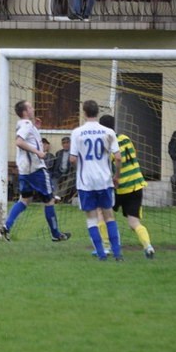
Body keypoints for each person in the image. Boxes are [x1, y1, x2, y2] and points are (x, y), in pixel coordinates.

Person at [0, 101, 69, 242]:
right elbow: (19, 142)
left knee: (25, 199)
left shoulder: (24, 125)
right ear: (25, 112)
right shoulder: (26, 124)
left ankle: (7, 226)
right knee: (49, 200)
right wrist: (38, 152)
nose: (33, 109)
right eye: (30, 107)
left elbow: (28, 139)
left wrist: (36, 128)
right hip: (36, 169)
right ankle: (56, 234)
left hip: (25, 170)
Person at [69, 100, 123, 261]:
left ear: (84, 112)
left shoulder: (77, 132)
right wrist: (117, 176)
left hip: (86, 182)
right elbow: (118, 158)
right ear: (98, 112)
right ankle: (117, 254)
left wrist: (80, 168)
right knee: (109, 216)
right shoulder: (108, 132)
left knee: (92, 218)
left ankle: (101, 254)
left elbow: (72, 159)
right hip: (104, 180)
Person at [99, 115, 155, 259]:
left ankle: (106, 246)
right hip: (136, 184)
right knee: (133, 222)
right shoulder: (125, 138)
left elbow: (116, 161)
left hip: (120, 187)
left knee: (102, 214)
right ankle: (148, 246)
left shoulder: (107, 145)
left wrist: (115, 177)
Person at [52, 136, 76, 202]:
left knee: (69, 180)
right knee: (53, 179)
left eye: (67, 143)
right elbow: (56, 165)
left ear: (70, 143)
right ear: (62, 144)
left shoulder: (73, 153)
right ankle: (55, 196)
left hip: (69, 173)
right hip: (59, 172)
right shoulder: (58, 153)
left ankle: (59, 197)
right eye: (64, 143)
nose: (66, 144)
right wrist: (56, 173)